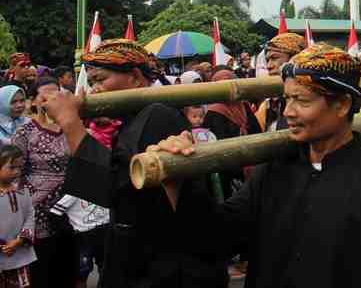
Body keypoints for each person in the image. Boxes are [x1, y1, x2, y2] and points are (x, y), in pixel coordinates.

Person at [152, 43, 361, 288]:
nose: (288, 112)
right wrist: (178, 182)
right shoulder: (276, 170)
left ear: (342, 104)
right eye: (287, 99)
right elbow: (216, 237)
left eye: (301, 100)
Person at [42, 39, 229, 287]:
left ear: (135, 77)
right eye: (91, 82)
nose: (94, 89)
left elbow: (112, 188)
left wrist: (70, 122)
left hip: (165, 270)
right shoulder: (135, 119)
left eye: (100, 79)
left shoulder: (158, 116)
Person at [12, 78, 77, 287]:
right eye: (46, 96)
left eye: (57, 95)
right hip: (38, 213)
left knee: (69, 266)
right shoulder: (25, 132)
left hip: (71, 207)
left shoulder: (71, 126)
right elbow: (15, 174)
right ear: (34, 102)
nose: (53, 100)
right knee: (43, 270)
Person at [202, 69, 260, 200]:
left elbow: (257, 132)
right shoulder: (214, 113)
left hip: (251, 171)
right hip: (229, 178)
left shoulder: (244, 106)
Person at [0, 144, 35, 288]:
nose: (17, 172)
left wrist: (19, 241)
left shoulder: (23, 191)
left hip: (19, 254)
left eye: (19, 167)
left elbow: (30, 216)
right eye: (12, 167)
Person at [254, 33, 305, 132]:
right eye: (267, 60)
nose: (269, 66)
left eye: (274, 58)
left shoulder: (312, 96)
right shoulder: (268, 105)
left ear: (295, 59)